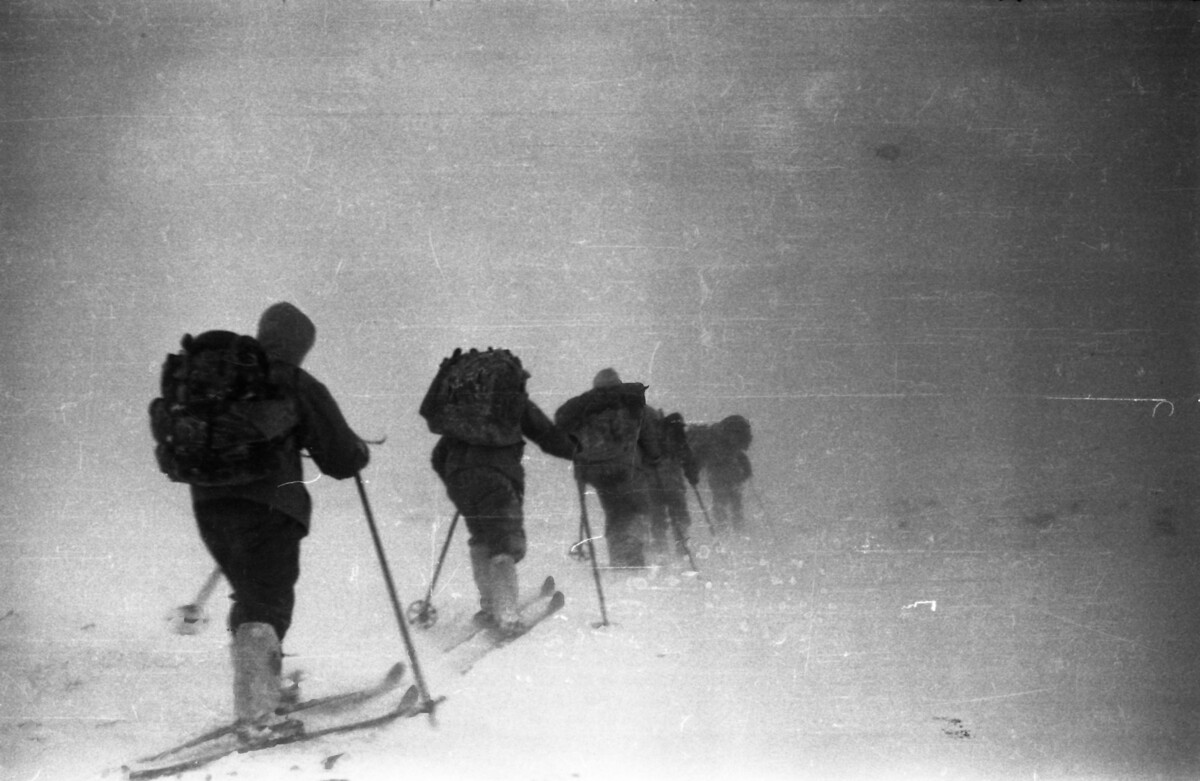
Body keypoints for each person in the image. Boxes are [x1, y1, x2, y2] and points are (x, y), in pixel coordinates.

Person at [188, 302, 370, 741]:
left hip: (209, 504)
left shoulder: (223, 376)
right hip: (271, 506)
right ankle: (257, 715)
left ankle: (260, 693)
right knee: (266, 600)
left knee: (250, 595)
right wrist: (359, 452)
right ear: (301, 344)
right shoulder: (293, 380)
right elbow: (342, 457)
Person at [425, 349, 575, 635]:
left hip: (461, 482)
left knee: (481, 540)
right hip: (498, 479)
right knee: (503, 543)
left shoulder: (460, 413)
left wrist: (458, 481)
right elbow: (547, 436)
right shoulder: (512, 403)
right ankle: (507, 614)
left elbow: (437, 456)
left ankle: (490, 608)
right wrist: (580, 452)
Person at [555, 368, 660, 568]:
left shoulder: (585, 407)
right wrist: (654, 457)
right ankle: (631, 555)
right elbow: (648, 437)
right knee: (637, 508)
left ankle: (619, 559)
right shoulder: (631, 403)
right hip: (626, 468)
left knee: (614, 512)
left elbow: (565, 435)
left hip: (595, 472)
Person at [642, 409, 700, 557]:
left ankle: (662, 552)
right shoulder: (677, 436)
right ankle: (682, 550)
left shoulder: (650, 438)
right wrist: (692, 475)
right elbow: (688, 458)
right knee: (678, 517)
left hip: (652, 484)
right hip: (672, 484)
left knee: (658, 520)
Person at [688, 414, 753, 530]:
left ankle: (728, 528)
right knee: (727, 501)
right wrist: (746, 471)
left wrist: (693, 471)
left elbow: (701, 456)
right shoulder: (721, 440)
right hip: (724, 472)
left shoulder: (721, 438)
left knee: (727, 501)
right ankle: (732, 528)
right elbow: (740, 454)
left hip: (722, 471)